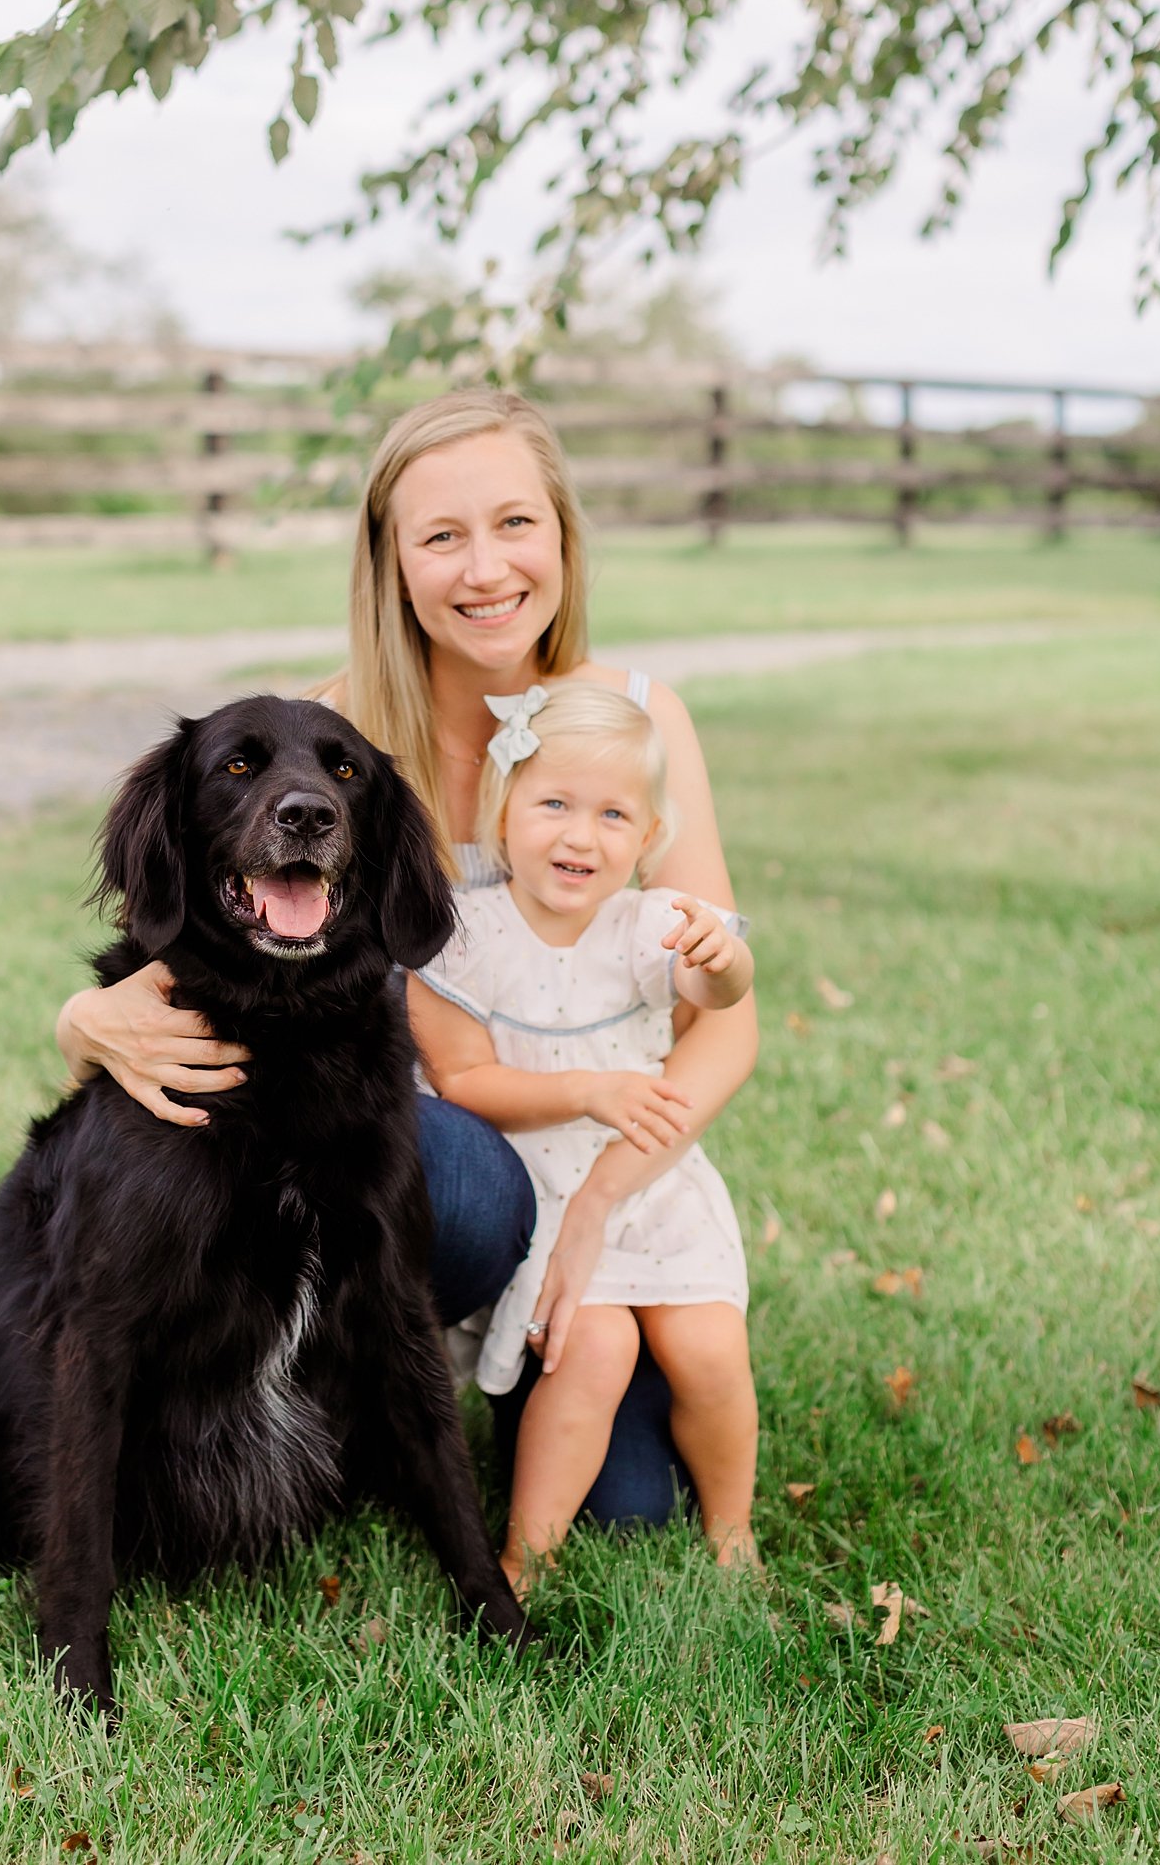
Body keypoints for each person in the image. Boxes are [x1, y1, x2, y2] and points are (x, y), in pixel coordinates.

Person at [54, 389, 759, 1523]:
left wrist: (599, 1208)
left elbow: (724, 1015)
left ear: (564, 536)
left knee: (635, 1506)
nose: (486, 568)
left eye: (516, 524)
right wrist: (79, 1023)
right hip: (417, 1172)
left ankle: (492, 1376)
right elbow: (183, 934)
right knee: (467, 1174)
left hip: (597, 1180)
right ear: (392, 562)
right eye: (442, 536)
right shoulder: (330, 742)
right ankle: (336, 1383)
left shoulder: (638, 721)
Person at [406, 679, 758, 1588]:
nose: (578, 835)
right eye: (554, 804)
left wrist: (725, 966)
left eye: (612, 815)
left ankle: (732, 1532)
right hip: (542, 1191)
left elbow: (717, 997)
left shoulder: (647, 928)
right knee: (589, 1350)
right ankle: (525, 1555)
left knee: (710, 1345)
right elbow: (461, 1082)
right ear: (503, 808)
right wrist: (586, 1088)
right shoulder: (464, 935)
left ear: (646, 841)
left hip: (646, 1185)